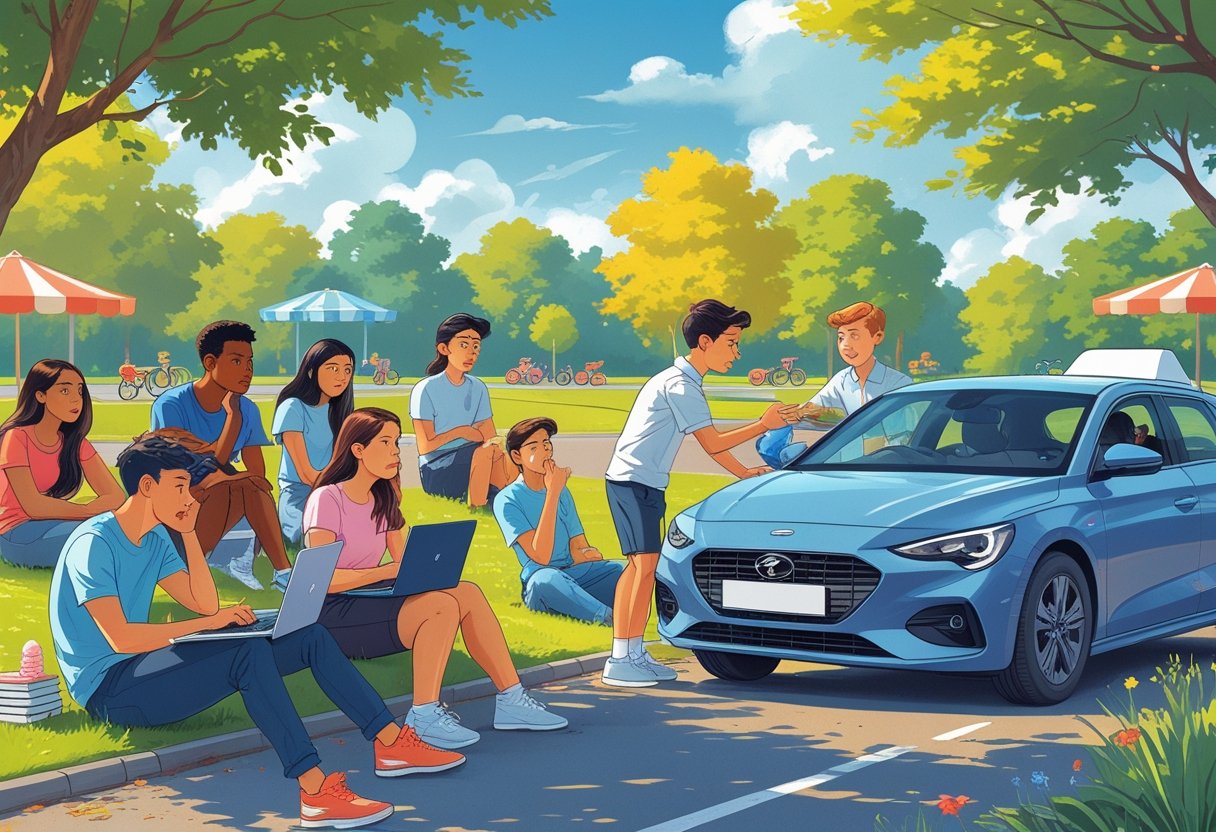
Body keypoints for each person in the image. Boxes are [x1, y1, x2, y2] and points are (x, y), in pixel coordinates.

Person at [49, 434, 449, 830]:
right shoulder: (94, 543)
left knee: (308, 635)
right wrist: (211, 624)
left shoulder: (153, 537)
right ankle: (315, 792)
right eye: (180, 487)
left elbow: (202, 602)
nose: (191, 498)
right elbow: (122, 638)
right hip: (108, 689)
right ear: (147, 486)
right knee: (248, 654)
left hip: (143, 667)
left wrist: (188, 533)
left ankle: (392, 742)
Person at [303, 407, 568, 752]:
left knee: (466, 592)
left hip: (371, 598)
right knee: (440, 606)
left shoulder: (383, 498)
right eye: (386, 442)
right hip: (330, 615)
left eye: (397, 442)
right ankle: (423, 715)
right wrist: (386, 573)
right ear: (358, 449)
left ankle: (512, 699)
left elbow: (405, 565)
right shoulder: (327, 498)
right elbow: (319, 582)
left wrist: (427, 570)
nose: (396, 450)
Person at [603, 299, 799, 687]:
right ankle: (621, 657)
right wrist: (764, 423)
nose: (737, 352)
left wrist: (743, 472)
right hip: (631, 482)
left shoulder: (685, 381)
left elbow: (709, 443)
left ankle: (633, 652)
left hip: (644, 482)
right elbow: (712, 442)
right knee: (642, 569)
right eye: (731, 342)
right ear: (705, 342)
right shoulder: (679, 385)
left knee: (644, 568)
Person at [151, 320, 293, 591]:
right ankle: (193, 565)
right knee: (236, 484)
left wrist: (225, 477)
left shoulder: (248, 409)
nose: (247, 371)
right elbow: (184, 473)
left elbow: (259, 478)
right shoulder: (171, 405)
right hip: (180, 502)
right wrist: (232, 417)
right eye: (237, 361)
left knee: (248, 487)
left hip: (224, 495)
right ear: (209, 362)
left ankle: (283, 572)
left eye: (250, 362)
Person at [494, 417, 623, 625]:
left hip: (575, 573)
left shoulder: (562, 491)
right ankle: (607, 618)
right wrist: (552, 493)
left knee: (624, 570)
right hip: (542, 578)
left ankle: (594, 607)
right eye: (534, 447)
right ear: (517, 456)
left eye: (547, 444)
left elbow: (581, 545)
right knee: (547, 580)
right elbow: (541, 557)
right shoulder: (507, 500)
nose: (545, 451)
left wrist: (581, 554)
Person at [756, 301, 913, 468]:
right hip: (841, 471)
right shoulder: (841, 380)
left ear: (877, 337)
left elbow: (902, 439)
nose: (846, 345)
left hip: (884, 470)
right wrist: (791, 414)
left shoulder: (898, 384)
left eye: (854, 335)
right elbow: (814, 410)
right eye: (841, 337)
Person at [0, 360, 125, 568]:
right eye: (65, 391)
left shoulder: (75, 443)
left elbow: (116, 495)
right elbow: (33, 506)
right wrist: (87, 511)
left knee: (123, 531)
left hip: (55, 524)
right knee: (106, 538)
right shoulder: (16, 438)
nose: (76, 399)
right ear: (41, 395)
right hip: (16, 532)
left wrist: (88, 512)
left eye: (79, 390)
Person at [409, 313, 513, 508]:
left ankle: (501, 501)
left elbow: (488, 435)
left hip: (471, 460)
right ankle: (478, 506)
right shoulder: (426, 389)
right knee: (485, 453)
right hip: (436, 468)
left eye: (476, 346)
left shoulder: (478, 387)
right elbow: (425, 447)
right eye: (464, 345)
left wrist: (495, 442)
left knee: (504, 452)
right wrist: (462, 431)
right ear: (444, 348)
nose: (471, 353)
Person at [273, 339, 356, 545]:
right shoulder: (292, 408)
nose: (342, 377)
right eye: (332, 369)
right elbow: (306, 473)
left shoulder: (341, 413)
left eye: (347, 370)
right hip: (300, 496)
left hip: (336, 491)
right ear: (311, 371)